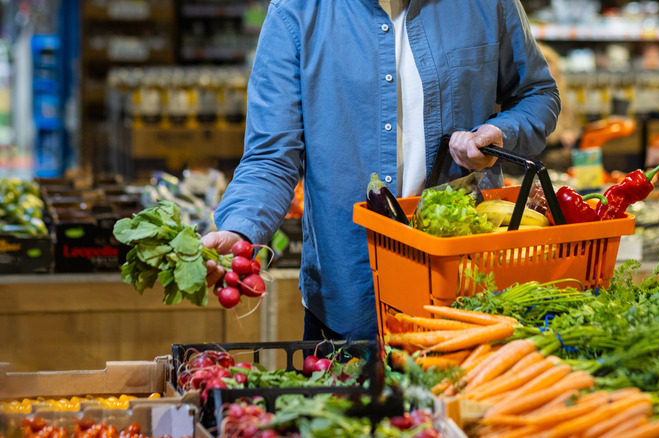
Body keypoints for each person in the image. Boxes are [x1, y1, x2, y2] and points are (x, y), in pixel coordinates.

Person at [201, 0, 561, 342]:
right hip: (348, 299)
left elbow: (538, 94)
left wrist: (502, 133)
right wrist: (240, 229)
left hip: (468, 293)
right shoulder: (296, 12)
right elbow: (271, 156)